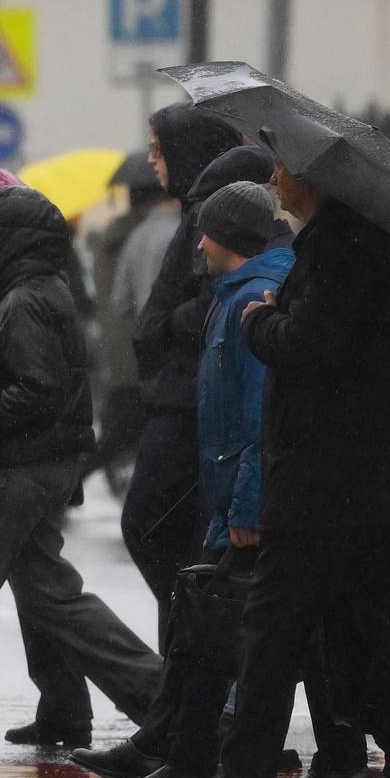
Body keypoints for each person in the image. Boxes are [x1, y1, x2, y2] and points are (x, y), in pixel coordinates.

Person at [151, 163, 390, 778]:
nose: (274, 178)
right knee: (375, 631)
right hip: (357, 482)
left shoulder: (340, 248)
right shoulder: (355, 244)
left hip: (325, 483)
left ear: (316, 178)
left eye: (283, 169)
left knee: (272, 637)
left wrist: (260, 322)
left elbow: (314, 345)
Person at [0, 186, 162, 758]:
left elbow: (37, 388)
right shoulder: (27, 290)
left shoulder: (25, 298)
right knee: (52, 596)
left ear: (10, 236)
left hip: (20, 464)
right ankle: (165, 701)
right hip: (30, 461)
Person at [89, 182, 293, 778]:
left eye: (206, 233)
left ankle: (205, 768)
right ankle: (188, 756)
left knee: (227, 632)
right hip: (231, 490)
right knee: (211, 626)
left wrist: (245, 506)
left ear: (229, 239)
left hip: (249, 500)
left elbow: (261, 417)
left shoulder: (254, 299)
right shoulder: (236, 294)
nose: (197, 243)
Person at [123, 105, 240, 648]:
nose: (152, 160)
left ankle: (198, 649)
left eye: (159, 148)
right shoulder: (194, 213)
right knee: (179, 542)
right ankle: (189, 660)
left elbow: (210, 299)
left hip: (188, 402)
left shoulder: (210, 217)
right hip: (178, 397)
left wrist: (165, 324)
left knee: (153, 527)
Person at [93, 157, 178, 493]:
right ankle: (66, 488)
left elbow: (117, 300)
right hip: (142, 352)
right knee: (123, 433)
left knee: (123, 431)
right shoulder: (159, 234)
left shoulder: (118, 237)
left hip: (121, 349)